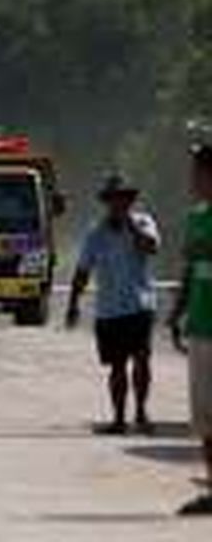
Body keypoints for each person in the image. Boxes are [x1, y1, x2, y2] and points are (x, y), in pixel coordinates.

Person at [66, 174, 161, 435]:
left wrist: (130, 225)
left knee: (142, 359)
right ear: (107, 202)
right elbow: (83, 270)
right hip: (109, 309)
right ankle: (119, 419)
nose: (118, 205)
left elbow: (151, 248)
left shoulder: (144, 222)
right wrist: (73, 303)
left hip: (140, 304)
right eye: (113, 200)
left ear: (130, 201)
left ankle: (141, 413)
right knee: (117, 365)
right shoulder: (95, 233)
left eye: (123, 199)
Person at [168, 144, 212, 516]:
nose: (192, 181)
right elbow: (189, 268)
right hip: (201, 325)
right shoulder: (196, 218)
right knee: (204, 414)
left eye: (197, 173)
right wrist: (177, 311)